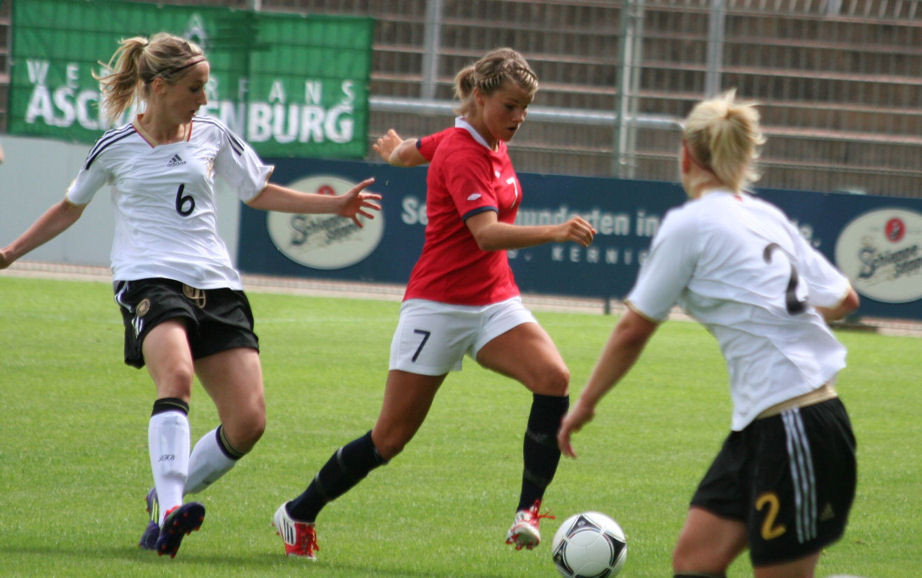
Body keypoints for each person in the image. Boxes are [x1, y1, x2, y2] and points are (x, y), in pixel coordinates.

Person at [0, 32, 381, 558]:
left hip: (216, 283)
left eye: (206, 87)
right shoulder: (115, 146)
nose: (204, 99)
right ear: (159, 87)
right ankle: (174, 509)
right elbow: (70, 207)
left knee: (248, 423)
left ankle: (165, 497)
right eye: (195, 88)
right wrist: (12, 252)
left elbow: (256, 191)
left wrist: (334, 205)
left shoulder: (212, 133)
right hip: (148, 279)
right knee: (175, 375)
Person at [273, 47, 597, 560]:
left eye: (525, 108)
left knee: (553, 378)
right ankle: (298, 511)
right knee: (390, 439)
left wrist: (397, 150)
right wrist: (556, 231)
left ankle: (527, 513)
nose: (520, 118)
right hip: (437, 307)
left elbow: (413, 152)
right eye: (511, 106)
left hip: (493, 302)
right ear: (481, 97)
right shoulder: (464, 153)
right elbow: (486, 235)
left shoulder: (469, 136)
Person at [557, 90, 859, 578]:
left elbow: (634, 326)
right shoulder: (768, 218)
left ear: (685, 153)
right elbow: (845, 300)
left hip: (797, 426)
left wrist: (586, 404)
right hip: (763, 426)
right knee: (696, 560)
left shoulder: (690, 225)